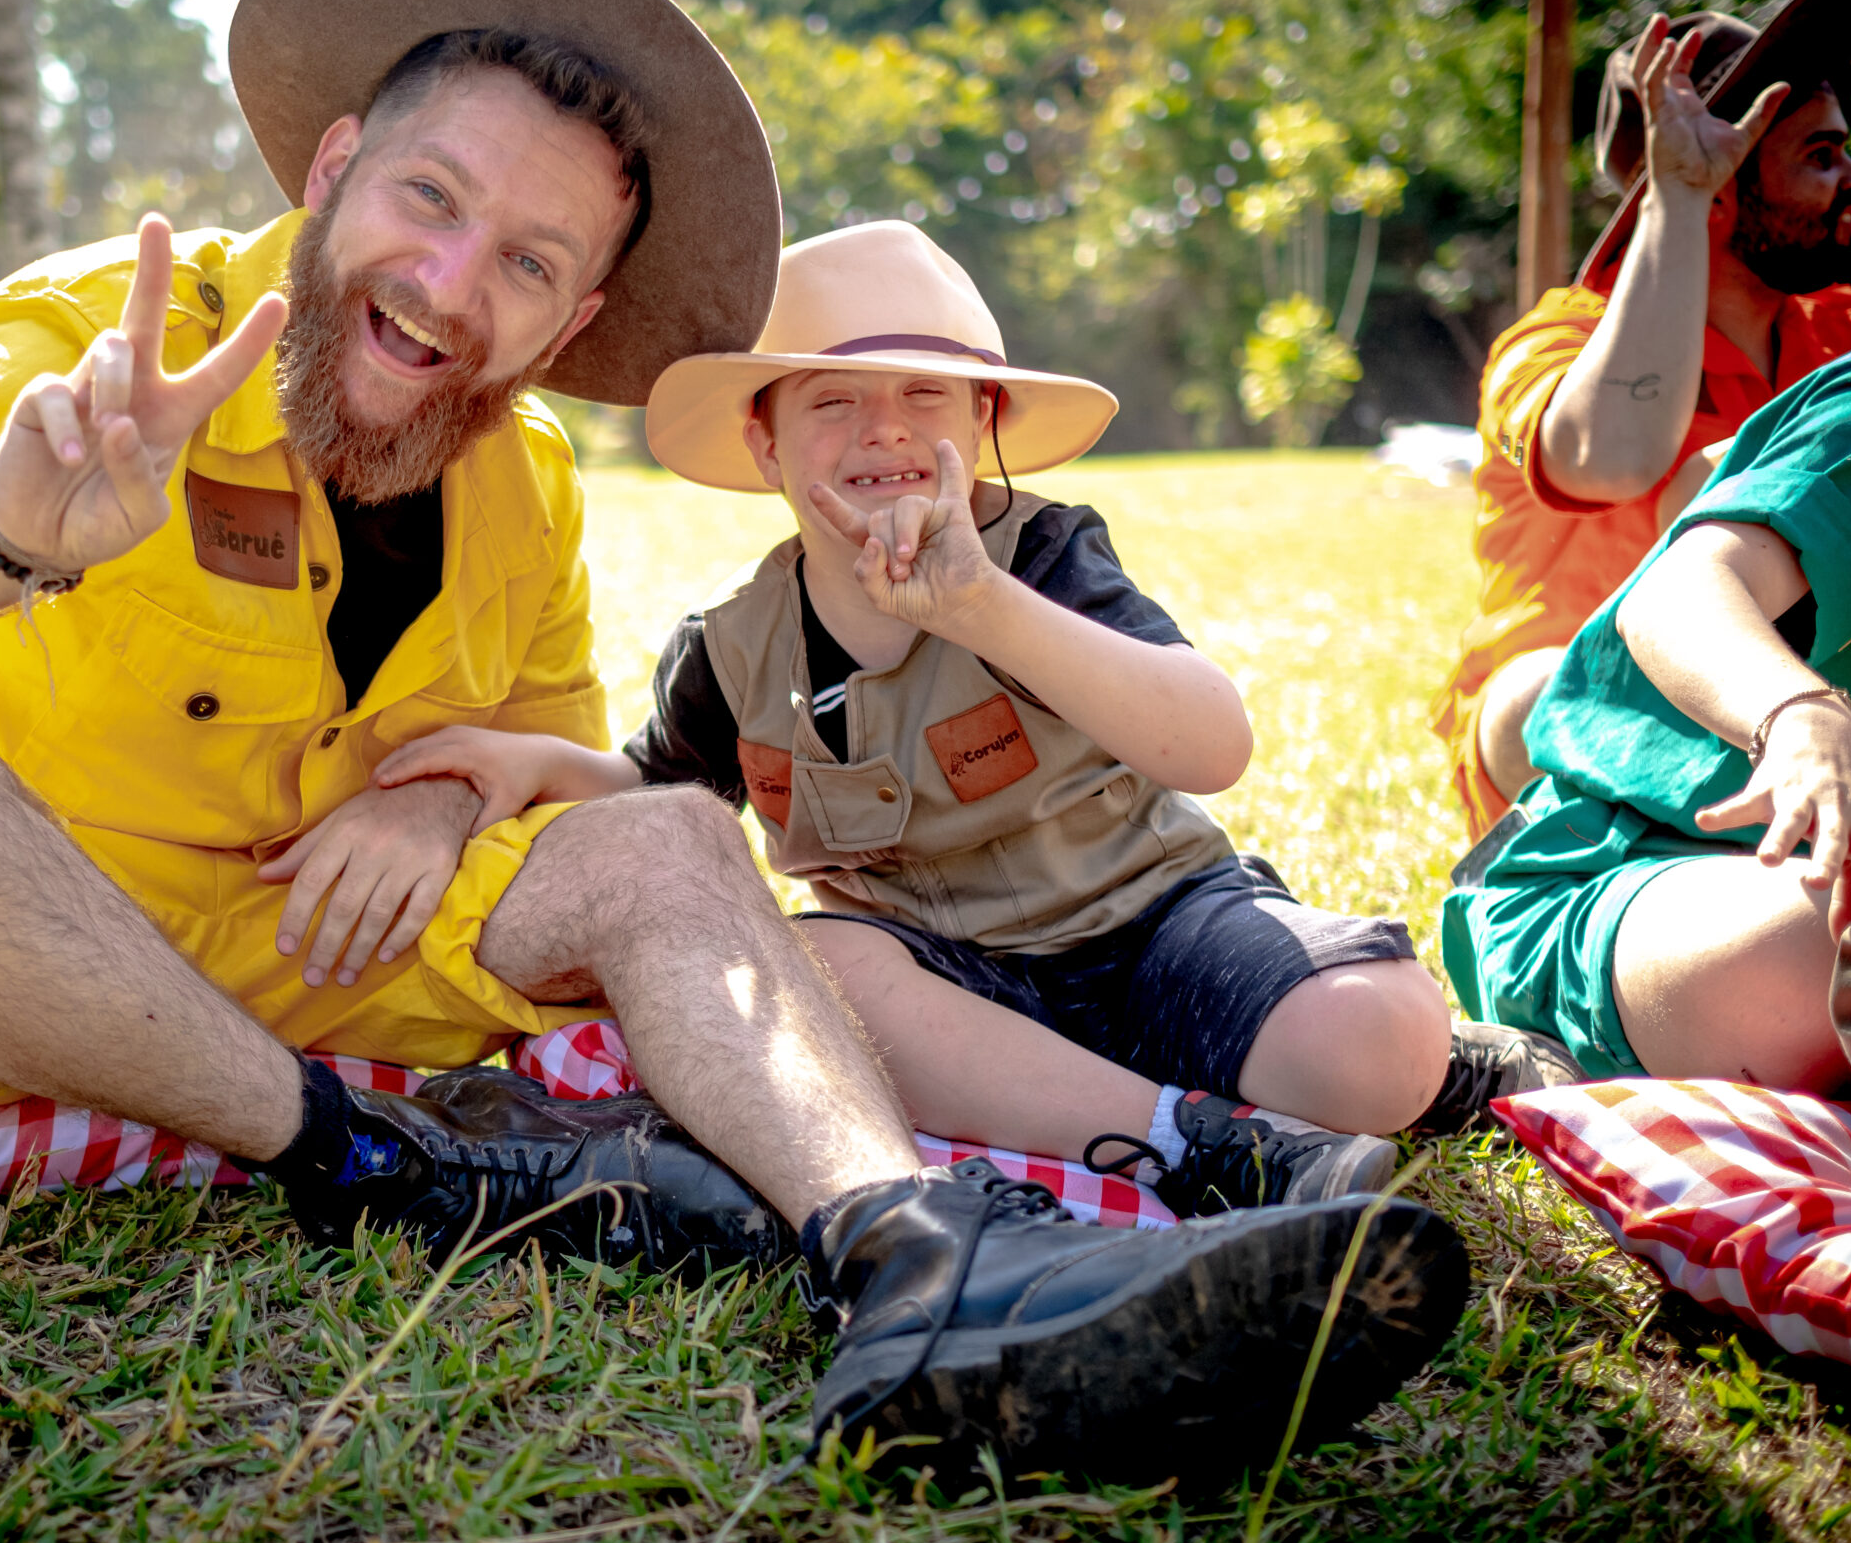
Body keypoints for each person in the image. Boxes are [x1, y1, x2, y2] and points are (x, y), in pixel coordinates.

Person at [0, 0, 1464, 1482]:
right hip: (4, 966)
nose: (450, 289)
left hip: (324, 950)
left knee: (677, 838)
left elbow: (584, 789)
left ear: (578, 312)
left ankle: (922, 1258)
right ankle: (367, 1157)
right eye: (428, 202)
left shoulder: (522, 485)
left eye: (528, 264)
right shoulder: (85, 342)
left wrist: (441, 796)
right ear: (334, 163)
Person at [379, 221, 1528, 1208]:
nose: (882, 429)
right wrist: (529, 758)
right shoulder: (732, 644)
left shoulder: (1047, 557)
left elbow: (1213, 744)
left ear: (979, 425)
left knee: (1378, 1040)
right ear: (764, 440)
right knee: (813, 971)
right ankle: (1200, 1144)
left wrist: (985, 608)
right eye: (833, 401)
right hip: (946, 980)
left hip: (1154, 925)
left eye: (921, 396)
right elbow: (665, 793)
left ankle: (1387, 1074)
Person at [1440, 268, 1851, 1128]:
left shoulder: (1837, 323)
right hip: (1637, 849)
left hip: (1833, 854)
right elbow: (1673, 578)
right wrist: (1798, 712)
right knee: (1841, 961)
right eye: (1819, 151)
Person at [1432, 0, 1851, 845]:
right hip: (1581, 722)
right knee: (1535, 690)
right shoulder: (1559, 341)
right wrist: (1676, 197)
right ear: (1722, 188)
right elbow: (1616, 459)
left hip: (1808, 700)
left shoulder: (1850, 330)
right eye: (1820, 156)